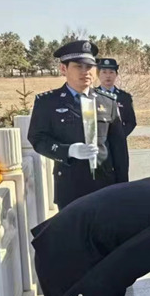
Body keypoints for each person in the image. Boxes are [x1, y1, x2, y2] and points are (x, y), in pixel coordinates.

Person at [28, 41, 128, 210]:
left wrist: (123, 187)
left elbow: (119, 148)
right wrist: (68, 151)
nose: (85, 72)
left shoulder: (107, 101)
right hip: (70, 186)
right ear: (63, 69)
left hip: (106, 186)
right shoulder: (47, 102)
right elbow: (38, 139)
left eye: (89, 67)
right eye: (78, 66)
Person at [96, 58, 137, 136]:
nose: (108, 76)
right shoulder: (92, 96)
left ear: (116, 75)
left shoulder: (124, 97)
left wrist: (120, 135)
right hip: (98, 140)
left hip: (118, 140)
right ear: (98, 75)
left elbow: (131, 122)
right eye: (104, 72)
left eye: (111, 72)